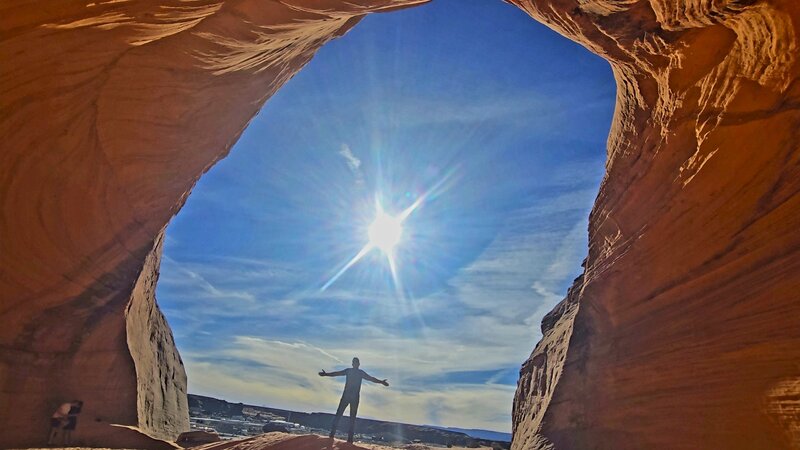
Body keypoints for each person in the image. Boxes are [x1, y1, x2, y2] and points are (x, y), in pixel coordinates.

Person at [319, 357, 388, 443]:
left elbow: (371, 378)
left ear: (358, 364)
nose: (355, 364)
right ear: (353, 364)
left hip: (353, 398)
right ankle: (332, 435)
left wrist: (381, 382)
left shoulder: (359, 373)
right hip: (347, 396)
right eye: (354, 363)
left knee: (351, 417)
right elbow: (337, 373)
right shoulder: (349, 371)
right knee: (339, 415)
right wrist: (326, 374)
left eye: (356, 363)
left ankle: (349, 439)